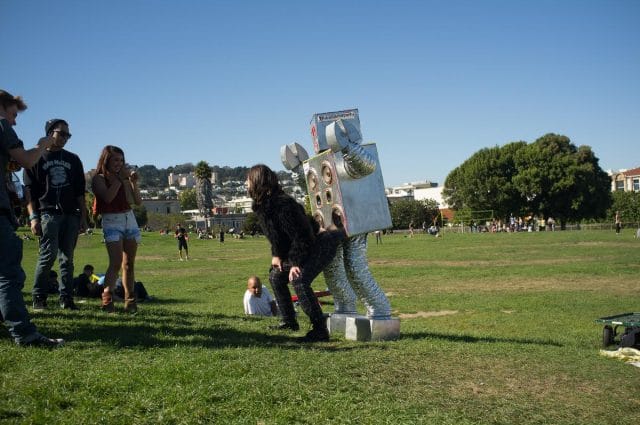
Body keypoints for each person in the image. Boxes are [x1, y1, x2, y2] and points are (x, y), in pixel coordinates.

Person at [247, 164, 344, 342]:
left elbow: (302, 236)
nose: (246, 183)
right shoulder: (263, 207)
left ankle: (320, 330)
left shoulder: (283, 205)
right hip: (305, 246)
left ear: (258, 182)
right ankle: (289, 321)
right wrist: (276, 254)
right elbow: (279, 238)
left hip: (321, 242)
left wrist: (295, 264)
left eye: (249, 179)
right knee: (276, 277)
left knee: (299, 279)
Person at [0, 89, 64, 347]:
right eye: (13, 114)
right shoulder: (2, 125)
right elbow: (26, 160)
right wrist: (42, 145)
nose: (14, 121)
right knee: (8, 274)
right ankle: (23, 333)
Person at [24, 118, 87, 311]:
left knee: (67, 259)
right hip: (48, 214)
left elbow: (79, 192)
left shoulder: (73, 159)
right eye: (62, 133)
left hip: (70, 215)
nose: (66, 138)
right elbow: (29, 193)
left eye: (68, 134)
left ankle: (66, 299)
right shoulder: (35, 158)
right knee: (47, 256)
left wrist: (83, 217)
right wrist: (33, 218)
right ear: (50, 133)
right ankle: (39, 297)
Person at [91, 145, 142, 313]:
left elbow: (137, 201)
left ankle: (130, 301)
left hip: (129, 218)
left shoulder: (124, 179)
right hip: (112, 220)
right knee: (115, 262)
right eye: (115, 160)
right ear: (106, 160)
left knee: (129, 264)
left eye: (121, 160)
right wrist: (120, 179)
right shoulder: (99, 178)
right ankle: (107, 299)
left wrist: (133, 183)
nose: (119, 163)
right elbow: (107, 197)